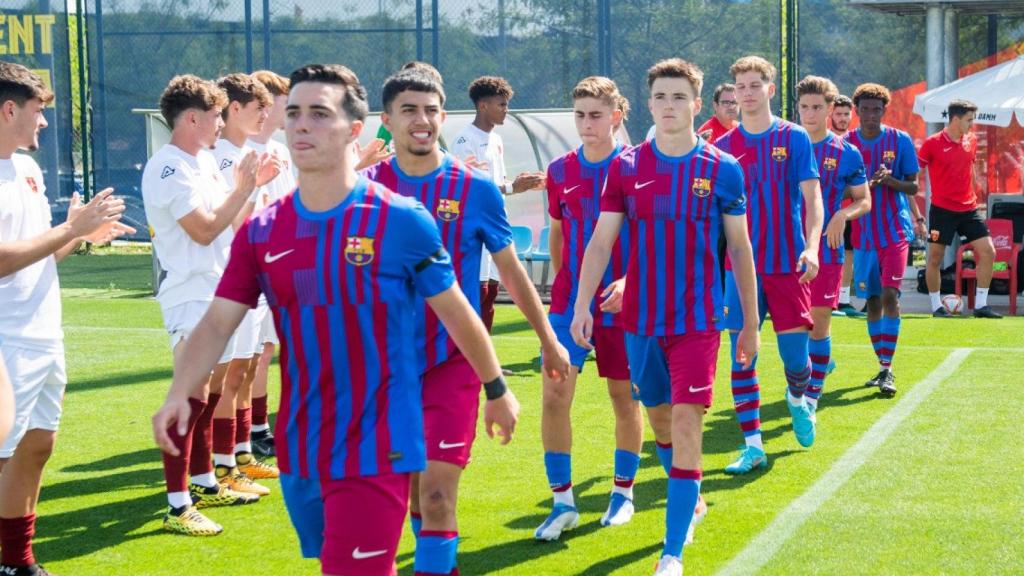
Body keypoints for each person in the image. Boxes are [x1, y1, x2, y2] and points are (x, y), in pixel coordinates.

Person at [153, 63, 514, 576]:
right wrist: (178, 393)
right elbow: (217, 322)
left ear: (354, 129)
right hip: (304, 448)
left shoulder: (402, 220)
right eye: (294, 113)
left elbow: (457, 311)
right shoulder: (262, 232)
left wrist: (496, 390)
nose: (301, 124)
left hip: (379, 442)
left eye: (319, 114)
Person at [366, 68, 568, 576]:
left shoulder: (473, 187)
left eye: (431, 109)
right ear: (388, 119)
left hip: (452, 360)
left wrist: (547, 339)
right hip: (384, 368)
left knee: (436, 495)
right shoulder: (366, 188)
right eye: (408, 110)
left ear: (443, 115)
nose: (421, 120)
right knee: (408, 490)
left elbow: (511, 269)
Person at [571, 58, 759, 576]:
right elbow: (601, 240)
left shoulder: (723, 168)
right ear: (649, 103)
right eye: (661, 97)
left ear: (697, 105)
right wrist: (583, 304)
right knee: (657, 417)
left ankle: (672, 550)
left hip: (698, 322)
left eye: (680, 97)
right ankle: (691, 492)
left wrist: (749, 320)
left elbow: (740, 249)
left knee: (686, 419)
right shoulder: (626, 167)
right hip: (640, 322)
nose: (669, 106)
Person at [0, 61, 133, 574]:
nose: (44, 122)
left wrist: (78, 236)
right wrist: (69, 228)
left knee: (37, 446)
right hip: (7, 340)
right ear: (9, 108)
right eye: (38, 111)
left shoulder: (27, 170)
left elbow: (37, 253)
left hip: (42, 335)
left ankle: (18, 562)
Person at [142, 74, 276, 535]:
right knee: (189, 395)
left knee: (207, 394)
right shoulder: (168, 167)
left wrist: (251, 187)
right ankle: (177, 507)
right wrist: (242, 189)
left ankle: (202, 480)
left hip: (215, 289)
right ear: (194, 118)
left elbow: (233, 223)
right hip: (188, 292)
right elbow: (202, 230)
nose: (221, 124)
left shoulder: (198, 162)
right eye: (216, 116)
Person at [534, 76, 643, 540]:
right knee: (555, 396)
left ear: (617, 116)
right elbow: (557, 234)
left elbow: (650, 237)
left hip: (625, 305)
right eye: (579, 115)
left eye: (595, 115)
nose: (585, 124)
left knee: (624, 397)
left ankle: (623, 494)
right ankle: (562, 504)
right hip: (567, 307)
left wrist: (628, 280)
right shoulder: (559, 170)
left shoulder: (639, 167)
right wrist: (567, 288)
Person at [715, 56, 823, 474]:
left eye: (755, 84)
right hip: (739, 271)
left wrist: (812, 247)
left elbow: (813, 199)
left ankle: (798, 399)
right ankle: (753, 445)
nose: (747, 92)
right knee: (742, 356)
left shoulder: (794, 138)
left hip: (787, 265)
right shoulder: (721, 150)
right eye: (740, 85)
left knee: (795, 359)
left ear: (770, 90)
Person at [209, 73, 281, 492]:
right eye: (259, 108)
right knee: (227, 376)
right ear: (234, 109)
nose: (265, 116)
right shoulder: (221, 158)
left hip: (254, 274)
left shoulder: (246, 152)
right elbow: (235, 222)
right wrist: (255, 187)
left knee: (246, 366)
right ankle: (222, 465)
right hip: (230, 279)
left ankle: (238, 455)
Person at [796, 76, 871, 412]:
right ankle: (805, 379)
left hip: (826, 249)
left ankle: (811, 396)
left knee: (819, 322)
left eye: (816, 107)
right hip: (785, 249)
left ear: (829, 109)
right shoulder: (782, 143)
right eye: (804, 107)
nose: (809, 114)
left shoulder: (846, 152)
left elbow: (864, 200)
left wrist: (842, 215)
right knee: (794, 328)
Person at [449, 75, 545, 333]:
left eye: (506, 104)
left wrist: (517, 184)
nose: (506, 110)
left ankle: (486, 365)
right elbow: (468, 189)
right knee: (477, 294)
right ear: (483, 106)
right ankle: (468, 365)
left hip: (495, 224)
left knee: (491, 293)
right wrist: (513, 187)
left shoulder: (496, 140)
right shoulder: (464, 140)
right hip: (474, 227)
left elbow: (495, 183)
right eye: (501, 104)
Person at [845, 82, 921, 396]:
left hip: (894, 233)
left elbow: (914, 187)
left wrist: (889, 181)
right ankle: (882, 365)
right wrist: (866, 188)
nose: (871, 115)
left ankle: (887, 369)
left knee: (891, 296)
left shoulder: (899, 140)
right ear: (856, 110)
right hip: (864, 236)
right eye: (865, 109)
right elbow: (841, 190)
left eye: (877, 109)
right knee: (872, 301)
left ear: (884, 110)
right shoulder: (846, 144)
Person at [246, 69, 298, 458]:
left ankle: (258, 427)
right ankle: (249, 431)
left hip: (280, 264)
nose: (289, 106)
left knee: (268, 348)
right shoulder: (240, 151)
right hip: (250, 267)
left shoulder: (280, 150)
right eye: (285, 99)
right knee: (252, 354)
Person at [919, 98, 1001, 319]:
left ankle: (981, 306)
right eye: (968, 120)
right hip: (941, 211)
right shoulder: (932, 143)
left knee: (988, 252)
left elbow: (970, 168)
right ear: (955, 119)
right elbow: (915, 172)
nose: (971, 125)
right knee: (935, 258)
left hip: (969, 210)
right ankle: (936, 306)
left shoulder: (971, 140)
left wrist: (975, 193)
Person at [830, 94, 865, 317]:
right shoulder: (822, 140)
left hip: (848, 209)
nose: (842, 118)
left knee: (848, 252)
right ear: (830, 115)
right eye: (838, 114)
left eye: (846, 114)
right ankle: (826, 299)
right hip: (825, 208)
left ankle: (842, 300)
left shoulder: (854, 142)